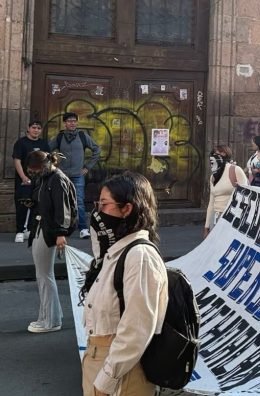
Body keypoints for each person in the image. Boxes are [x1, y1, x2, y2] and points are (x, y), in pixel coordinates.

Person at [80, 172, 168, 396]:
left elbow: (137, 328)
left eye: (105, 205)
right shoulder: (114, 253)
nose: (98, 213)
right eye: (97, 204)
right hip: (99, 359)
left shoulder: (139, 256)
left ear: (127, 209)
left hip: (121, 373)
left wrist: (105, 381)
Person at [25, 150, 74, 334]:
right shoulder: (49, 177)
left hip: (48, 229)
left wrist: (61, 233)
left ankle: (50, 320)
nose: (32, 173)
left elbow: (62, 208)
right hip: (44, 227)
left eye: (33, 169)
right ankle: (51, 316)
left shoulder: (55, 179)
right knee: (44, 274)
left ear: (40, 166)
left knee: (44, 275)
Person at [49, 112, 101, 239]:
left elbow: (96, 149)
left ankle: (83, 228)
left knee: (79, 202)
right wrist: (53, 166)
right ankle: (63, 228)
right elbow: (47, 150)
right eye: (69, 121)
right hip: (63, 175)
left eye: (74, 121)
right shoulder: (60, 137)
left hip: (78, 175)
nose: (72, 123)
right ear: (65, 123)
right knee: (61, 201)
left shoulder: (82, 136)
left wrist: (87, 167)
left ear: (76, 123)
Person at [12, 120, 51, 243]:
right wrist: (23, 177)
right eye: (34, 127)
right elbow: (17, 161)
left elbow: (48, 161)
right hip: (24, 180)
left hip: (39, 180)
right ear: (28, 128)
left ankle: (29, 229)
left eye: (39, 128)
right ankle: (19, 231)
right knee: (23, 204)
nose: (36, 130)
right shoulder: (21, 143)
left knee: (36, 205)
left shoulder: (44, 143)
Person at [205, 145, 248, 238]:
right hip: (215, 218)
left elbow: (247, 194)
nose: (213, 157)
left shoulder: (235, 170)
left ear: (225, 154)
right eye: (212, 154)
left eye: (216, 154)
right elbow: (211, 203)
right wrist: (206, 226)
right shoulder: (213, 176)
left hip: (231, 218)